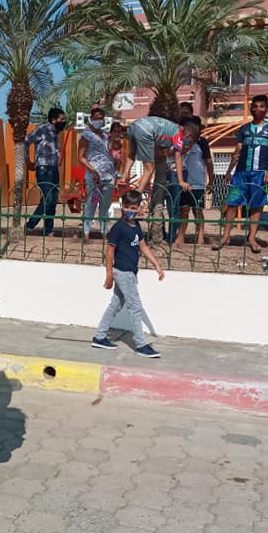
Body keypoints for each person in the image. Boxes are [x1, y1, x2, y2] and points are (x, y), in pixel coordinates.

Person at [90, 189, 165, 358]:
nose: (129, 210)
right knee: (135, 307)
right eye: (127, 206)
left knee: (116, 305)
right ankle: (141, 344)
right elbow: (109, 252)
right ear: (122, 206)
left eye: (133, 207)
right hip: (122, 273)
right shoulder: (118, 228)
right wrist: (109, 274)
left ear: (139, 208)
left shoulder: (136, 226)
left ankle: (99, 336)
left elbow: (143, 246)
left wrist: (157, 265)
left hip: (130, 272)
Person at [216, 94, 268, 254]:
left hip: (260, 174)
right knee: (232, 202)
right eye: (255, 106)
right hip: (241, 173)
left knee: (256, 206)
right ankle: (226, 236)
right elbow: (237, 151)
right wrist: (229, 170)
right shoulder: (244, 129)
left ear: (266, 108)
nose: (258, 109)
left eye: (261, 106)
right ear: (251, 108)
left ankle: (252, 238)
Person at [118, 115, 186, 196]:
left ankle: (123, 179)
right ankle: (136, 197)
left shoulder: (168, 129)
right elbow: (178, 156)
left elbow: (158, 150)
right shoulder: (179, 132)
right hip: (146, 130)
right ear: (189, 135)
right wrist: (181, 181)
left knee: (132, 154)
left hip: (134, 126)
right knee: (149, 169)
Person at [172, 117, 213, 248]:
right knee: (184, 210)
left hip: (197, 182)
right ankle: (181, 236)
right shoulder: (180, 140)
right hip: (184, 181)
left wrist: (211, 179)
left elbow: (208, 162)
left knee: (197, 210)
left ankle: (200, 235)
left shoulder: (202, 142)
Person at [24, 107, 66, 235]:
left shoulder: (57, 133)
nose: (64, 122)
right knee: (48, 199)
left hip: (54, 169)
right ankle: (31, 225)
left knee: (52, 200)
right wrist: (28, 161)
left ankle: (47, 229)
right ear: (53, 120)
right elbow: (26, 141)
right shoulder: (42, 129)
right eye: (62, 119)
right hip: (43, 169)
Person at [78, 107, 117, 238]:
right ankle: (86, 233)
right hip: (94, 177)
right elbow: (81, 157)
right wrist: (93, 170)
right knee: (92, 204)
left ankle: (104, 232)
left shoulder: (105, 135)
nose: (98, 121)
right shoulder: (86, 135)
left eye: (101, 118)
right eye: (96, 118)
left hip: (108, 175)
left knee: (105, 206)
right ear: (91, 119)